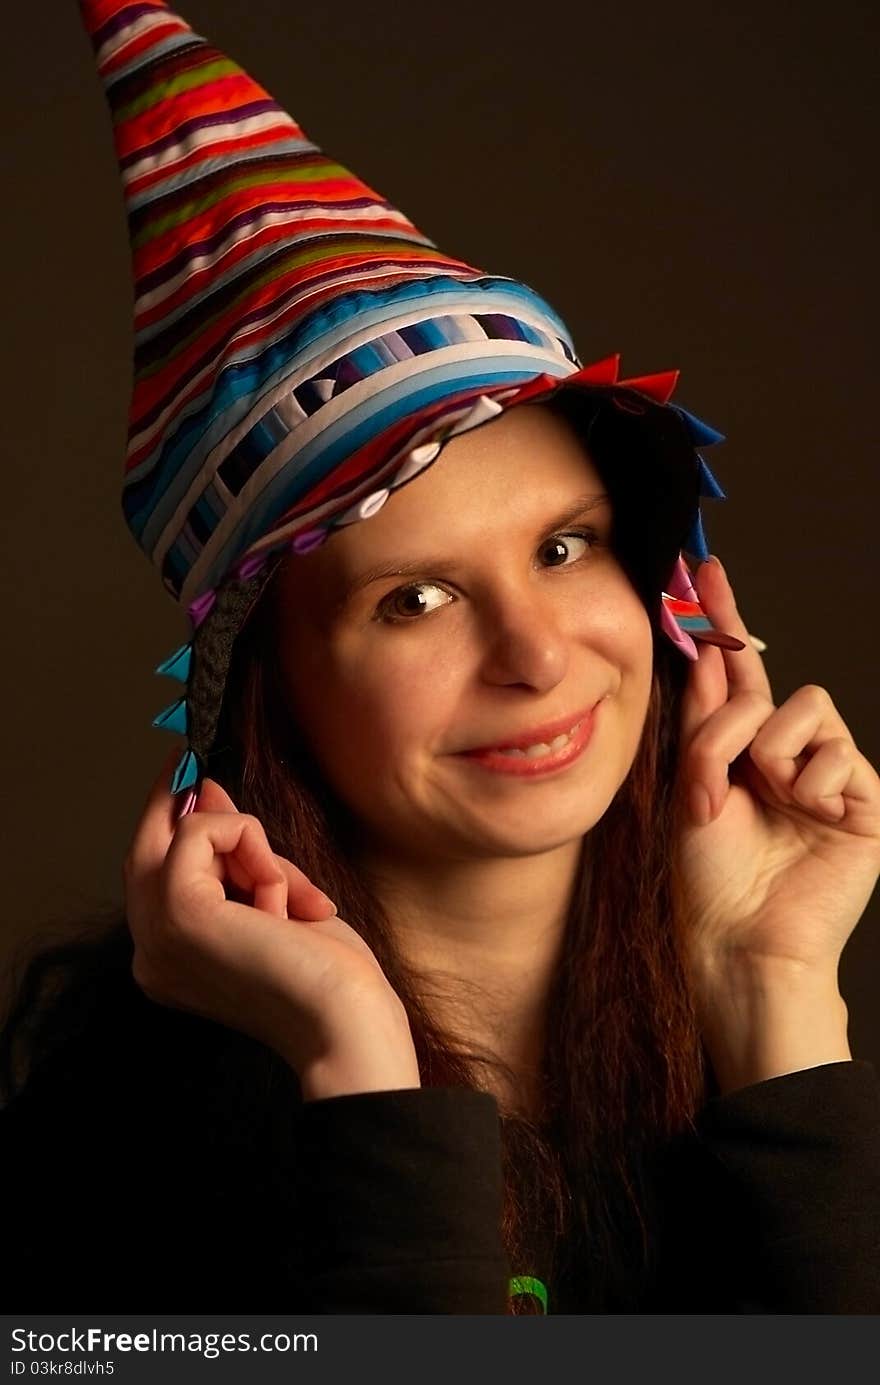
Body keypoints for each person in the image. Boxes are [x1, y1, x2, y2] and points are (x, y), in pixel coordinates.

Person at [2, 0, 879, 1315]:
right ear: (269, 684)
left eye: (567, 548)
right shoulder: (101, 1164)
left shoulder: (762, 1021)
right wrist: (359, 1071)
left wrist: (776, 988)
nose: (536, 654)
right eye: (414, 599)